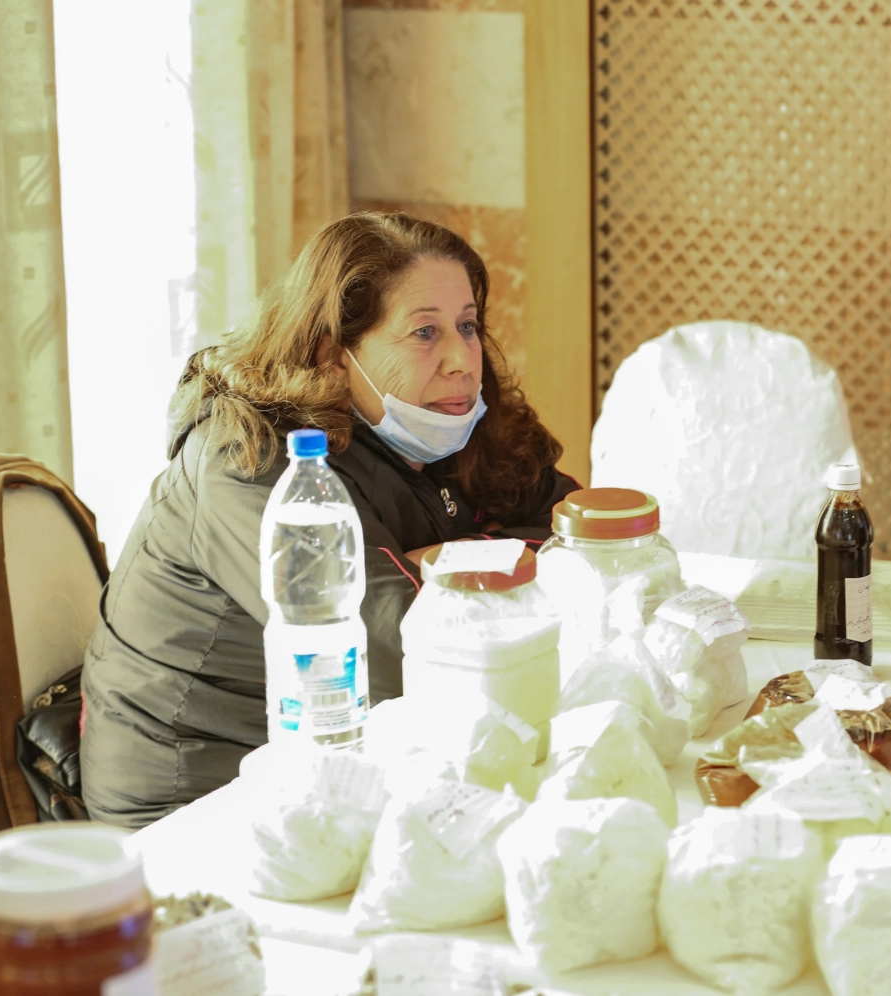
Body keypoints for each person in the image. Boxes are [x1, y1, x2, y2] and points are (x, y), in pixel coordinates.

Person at [80, 212, 576, 828]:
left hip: (350, 750)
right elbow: (397, 655)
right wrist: (487, 564)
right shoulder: (248, 459)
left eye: (468, 325)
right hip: (198, 788)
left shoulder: (446, 416)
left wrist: (443, 567)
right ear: (334, 356)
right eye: (425, 332)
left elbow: (581, 539)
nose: (462, 360)